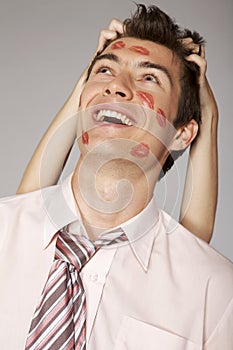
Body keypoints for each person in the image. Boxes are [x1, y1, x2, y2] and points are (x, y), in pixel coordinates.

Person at [0, 4, 232, 350]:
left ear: (183, 134)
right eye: (105, 71)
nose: (117, 88)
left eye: (149, 77)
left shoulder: (216, 293)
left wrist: (208, 118)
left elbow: (192, 259)